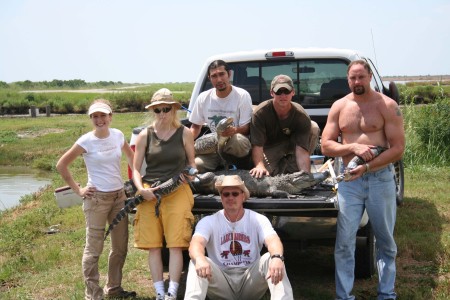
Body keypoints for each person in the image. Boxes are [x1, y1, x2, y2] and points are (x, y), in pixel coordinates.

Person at [321, 60, 405, 300]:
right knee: (344, 242)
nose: (357, 82)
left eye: (361, 77)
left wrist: (367, 166)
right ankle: (344, 296)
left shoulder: (387, 105)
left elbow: (398, 149)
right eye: (352, 78)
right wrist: (354, 146)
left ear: (370, 77)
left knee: (385, 240)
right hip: (349, 183)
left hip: (380, 179)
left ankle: (387, 293)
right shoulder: (339, 106)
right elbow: (325, 144)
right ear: (347, 79)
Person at [56, 99, 136, 300]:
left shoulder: (118, 135)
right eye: (95, 116)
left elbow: (131, 157)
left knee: (120, 247)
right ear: (91, 119)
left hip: (119, 197)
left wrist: (134, 181)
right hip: (97, 200)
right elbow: (61, 165)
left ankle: (114, 289)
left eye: (103, 115)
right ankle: (93, 295)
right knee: (93, 250)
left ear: (111, 116)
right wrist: (79, 190)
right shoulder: (86, 141)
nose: (100, 120)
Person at [184, 175, 294, 300]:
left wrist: (277, 258)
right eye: (226, 194)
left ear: (243, 196)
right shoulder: (209, 221)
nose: (230, 197)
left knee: (273, 257)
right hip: (221, 280)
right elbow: (196, 243)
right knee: (196, 261)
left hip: (250, 280)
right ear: (221, 198)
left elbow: (273, 239)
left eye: (235, 194)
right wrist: (199, 258)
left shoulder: (257, 219)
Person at [132, 88, 196, 300]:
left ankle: (172, 291)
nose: (162, 113)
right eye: (157, 110)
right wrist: (142, 189)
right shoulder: (145, 135)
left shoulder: (184, 133)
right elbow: (135, 169)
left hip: (177, 190)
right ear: (153, 111)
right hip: (151, 192)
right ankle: (159, 292)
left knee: (176, 244)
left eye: (166, 109)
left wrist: (190, 176)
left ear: (174, 110)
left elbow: (191, 164)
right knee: (153, 245)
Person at [249, 74, 320, 178]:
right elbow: (257, 145)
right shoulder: (260, 113)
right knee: (266, 175)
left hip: (292, 147)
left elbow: (301, 149)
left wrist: (306, 175)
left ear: (293, 92)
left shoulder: (301, 115)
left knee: (313, 127)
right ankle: (283, 168)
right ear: (272, 93)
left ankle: (293, 167)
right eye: (279, 92)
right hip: (269, 148)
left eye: (286, 91)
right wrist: (260, 166)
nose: (283, 96)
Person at [189, 59, 253, 172]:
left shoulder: (242, 95)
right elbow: (196, 127)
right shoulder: (203, 98)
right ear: (209, 78)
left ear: (229, 74)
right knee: (197, 165)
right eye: (214, 76)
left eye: (221, 74)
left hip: (235, 144)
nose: (219, 79)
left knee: (237, 140)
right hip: (214, 146)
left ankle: (243, 167)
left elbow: (247, 128)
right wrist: (184, 141)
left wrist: (234, 130)